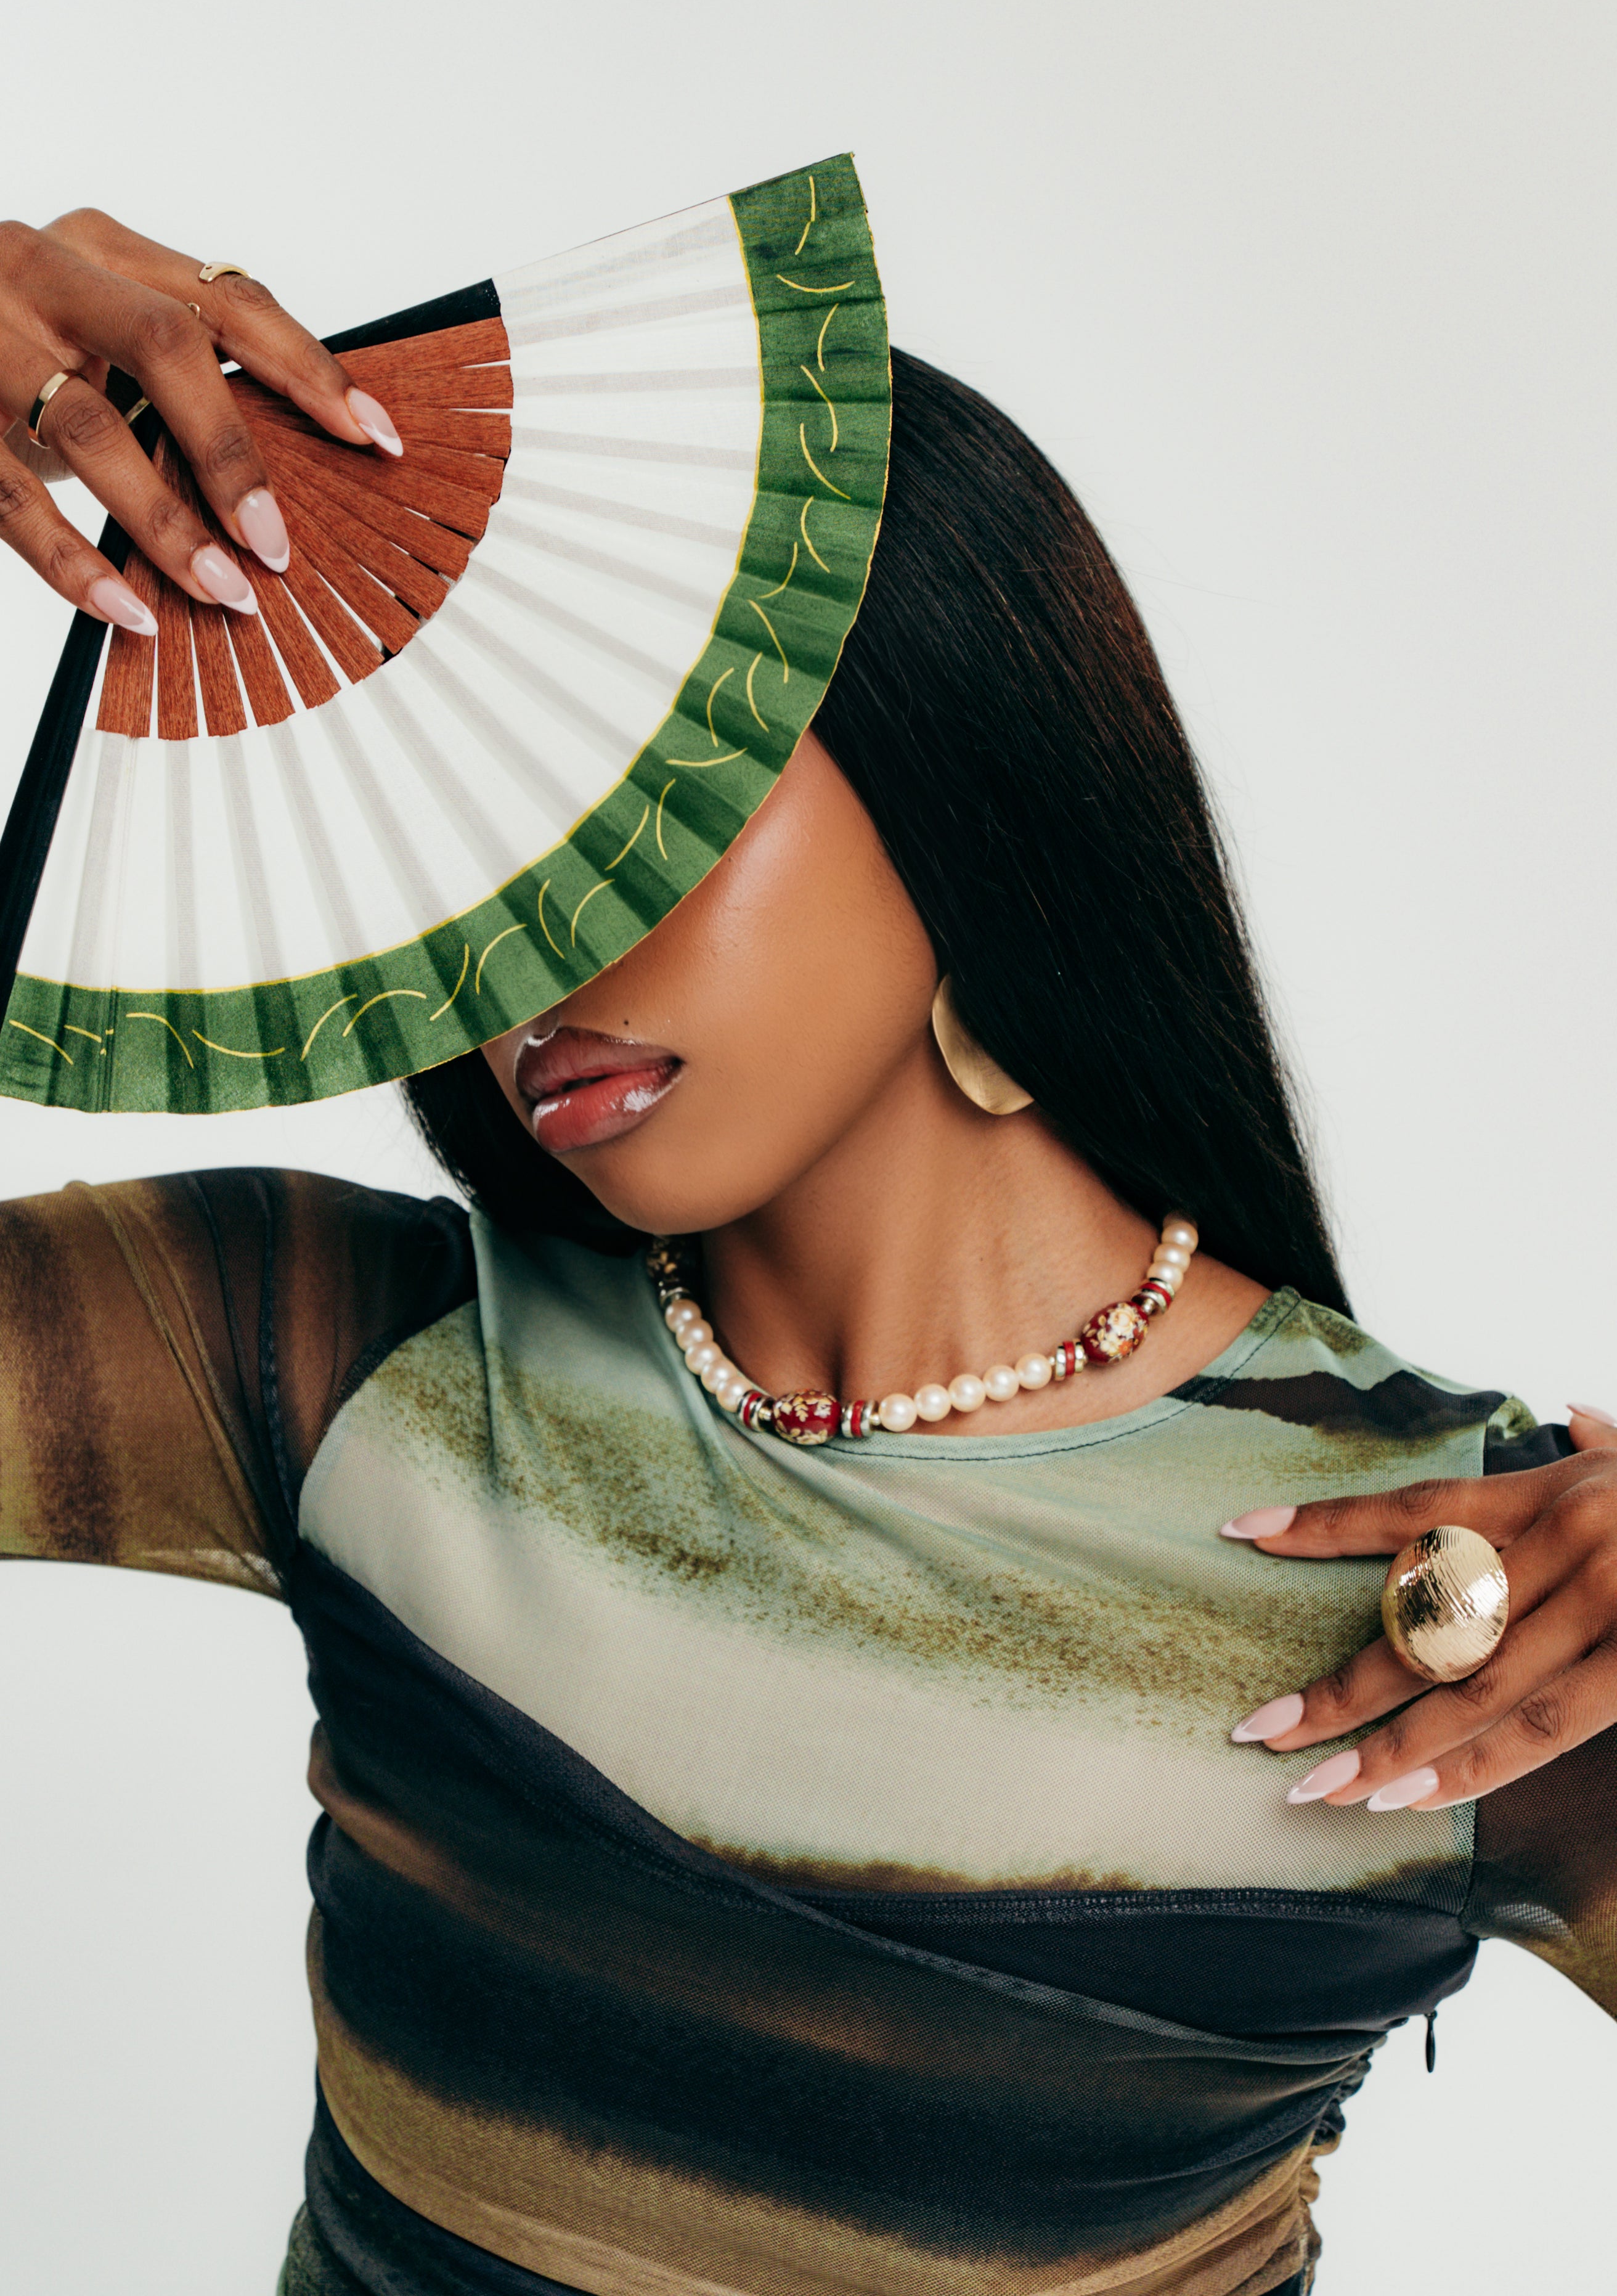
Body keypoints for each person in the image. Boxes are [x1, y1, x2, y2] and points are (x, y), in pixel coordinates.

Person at [2, 211, 1615, 2296]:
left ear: (953, 747)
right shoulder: (316, 1352)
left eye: (631, 798)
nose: (531, 942)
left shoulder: (1469, 1596)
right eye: (480, 843)